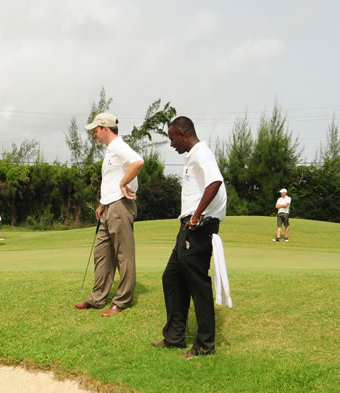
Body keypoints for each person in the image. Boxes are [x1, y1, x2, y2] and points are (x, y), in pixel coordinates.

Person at [152, 116, 227, 360]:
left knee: (197, 284)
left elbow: (215, 182)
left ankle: (205, 346)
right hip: (188, 226)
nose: (171, 144)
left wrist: (196, 216)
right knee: (172, 277)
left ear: (183, 134)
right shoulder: (193, 156)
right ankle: (174, 337)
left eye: (172, 138)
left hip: (198, 227)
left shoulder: (200, 153)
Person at [74, 112, 143, 318]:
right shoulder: (109, 151)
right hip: (109, 207)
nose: (94, 134)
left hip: (121, 207)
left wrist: (123, 184)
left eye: (95, 130)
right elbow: (112, 180)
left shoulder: (119, 146)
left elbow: (137, 162)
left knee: (123, 255)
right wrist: (102, 204)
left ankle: (122, 301)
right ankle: (97, 298)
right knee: (102, 253)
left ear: (105, 128)